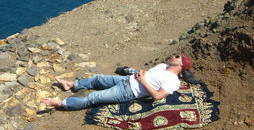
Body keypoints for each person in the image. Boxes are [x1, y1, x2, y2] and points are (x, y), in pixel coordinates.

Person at [42, 54, 192, 111]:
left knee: (92, 98)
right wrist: (140, 73)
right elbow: (149, 75)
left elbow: (158, 96)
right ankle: (71, 84)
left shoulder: (173, 82)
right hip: (127, 80)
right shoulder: (162, 66)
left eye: (177, 56)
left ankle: (62, 104)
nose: (173, 56)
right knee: (97, 78)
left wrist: (143, 81)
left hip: (128, 91)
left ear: (181, 65)